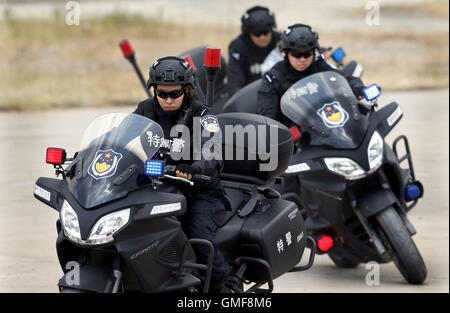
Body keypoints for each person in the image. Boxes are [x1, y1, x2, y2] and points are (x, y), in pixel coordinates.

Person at [133, 56, 232, 292]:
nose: (168, 99)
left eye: (175, 94)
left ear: (187, 90)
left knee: (198, 234)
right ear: (154, 89)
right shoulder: (144, 109)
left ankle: (221, 284)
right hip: (154, 186)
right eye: (162, 93)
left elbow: (213, 151)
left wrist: (196, 168)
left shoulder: (204, 114)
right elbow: (122, 139)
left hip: (198, 190)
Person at [257, 23, 366, 128]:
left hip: (327, 127)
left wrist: (358, 88)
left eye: (307, 54)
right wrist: (278, 130)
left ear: (314, 53)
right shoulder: (273, 77)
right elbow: (267, 115)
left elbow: (346, 78)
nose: (302, 59)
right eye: (296, 54)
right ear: (286, 53)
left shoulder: (320, 66)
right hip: (295, 138)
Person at [227, 6, 281, 95]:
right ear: (248, 33)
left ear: (272, 29)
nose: (262, 37)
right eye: (257, 33)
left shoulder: (282, 42)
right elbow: (235, 84)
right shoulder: (238, 47)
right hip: (250, 97)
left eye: (266, 32)